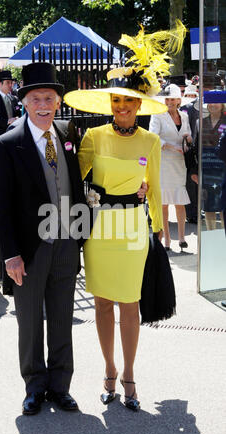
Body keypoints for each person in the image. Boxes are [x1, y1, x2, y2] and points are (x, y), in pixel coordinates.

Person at [64, 21, 185, 411]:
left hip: (133, 230)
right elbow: (69, 176)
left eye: (129, 101)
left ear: (139, 103)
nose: (122, 108)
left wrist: (158, 234)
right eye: (116, 101)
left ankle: (130, 374)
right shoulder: (93, 137)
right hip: (100, 230)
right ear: (110, 105)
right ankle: (109, 371)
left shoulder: (151, 140)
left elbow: (156, 193)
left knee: (129, 303)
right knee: (101, 302)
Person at [0, 62, 86, 415]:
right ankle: (34, 386)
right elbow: (0, 207)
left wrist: (80, 238)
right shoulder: (7, 144)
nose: (44, 104)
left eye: (49, 98)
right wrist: (11, 254)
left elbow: (76, 188)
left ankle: (61, 386)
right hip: (28, 250)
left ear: (58, 102)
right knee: (29, 321)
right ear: (24, 103)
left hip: (65, 242)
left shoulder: (67, 135)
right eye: (36, 98)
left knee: (62, 317)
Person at [149, 83, 194, 250]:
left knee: (180, 201)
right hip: (164, 164)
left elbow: (187, 134)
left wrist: (188, 140)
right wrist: (170, 146)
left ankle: (182, 238)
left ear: (178, 100)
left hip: (180, 164)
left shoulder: (185, 116)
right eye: (167, 98)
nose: (169, 101)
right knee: (164, 204)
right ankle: (167, 240)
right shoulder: (158, 116)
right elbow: (153, 138)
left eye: (173, 98)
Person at [193, 102, 226, 230]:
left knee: (223, 207)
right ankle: (211, 235)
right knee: (208, 206)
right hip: (205, 170)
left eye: (216, 102)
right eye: (210, 102)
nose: (213, 105)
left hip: (223, 170)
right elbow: (196, 147)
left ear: (222, 105)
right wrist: (194, 170)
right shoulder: (199, 122)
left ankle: (224, 240)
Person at [180, 84, 199, 224]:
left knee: (189, 184)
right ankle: (192, 213)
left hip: (185, 149)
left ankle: (191, 213)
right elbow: (193, 131)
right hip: (188, 149)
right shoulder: (191, 109)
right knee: (190, 184)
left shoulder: (187, 108)